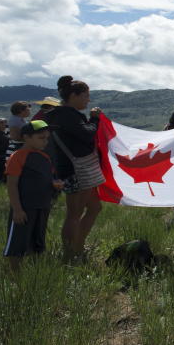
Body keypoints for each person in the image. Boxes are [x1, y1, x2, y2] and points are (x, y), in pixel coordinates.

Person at [46, 76, 105, 260]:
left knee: (94, 207)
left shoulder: (62, 115)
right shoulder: (67, 115)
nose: (88, 100)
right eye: (86, 96)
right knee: (75, 213)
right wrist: (94, 120)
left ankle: (77, 246)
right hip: (75, 170)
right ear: (74, 96)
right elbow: (86, 135)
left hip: (75, 168)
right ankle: (71, 252)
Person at [4, 120, 63, 270]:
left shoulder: (45, 157)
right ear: (26, 137)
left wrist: (55, 185)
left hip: (42, 207)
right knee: (18, 243)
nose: (45, 141)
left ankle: (34, 273)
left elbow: (48, 179)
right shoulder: (18, 156)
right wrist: (17, 209)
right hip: (24, 208)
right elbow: (12, 184)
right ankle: (15, 276)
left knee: (37, 241)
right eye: (41, 138)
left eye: (47, 138)